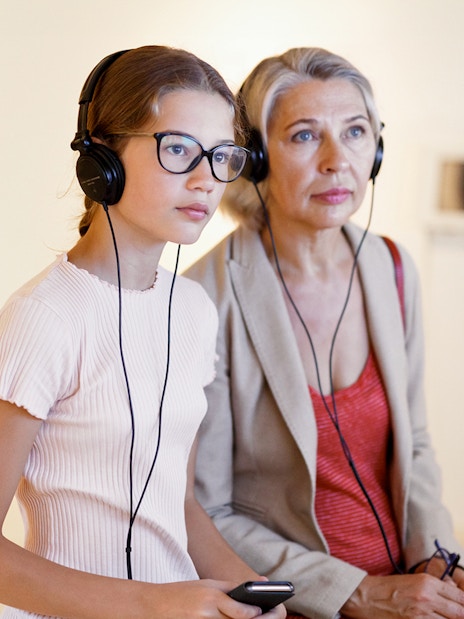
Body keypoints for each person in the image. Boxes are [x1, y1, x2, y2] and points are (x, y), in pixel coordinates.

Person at [0, 46, 287, 619]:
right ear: (101, 159)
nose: (207, 180)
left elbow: (174, 503)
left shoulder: (194, 308)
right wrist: (154, 604)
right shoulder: (46, 316)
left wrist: (246, 588)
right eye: (178, 149)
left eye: (221, 155)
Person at [186, 47, 464, 619]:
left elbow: (413, 445)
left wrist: (437, 559)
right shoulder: (204, 298)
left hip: (406, 588)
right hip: (303, 603)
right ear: (256, 158)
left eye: (356, 131)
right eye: (306, 136)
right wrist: (355, 593)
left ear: (377, 150)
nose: (339, 160)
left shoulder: (392, 267)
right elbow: (207, 513)